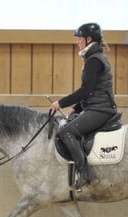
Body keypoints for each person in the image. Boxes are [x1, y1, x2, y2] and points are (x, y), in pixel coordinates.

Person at [50, 22, 117, 189]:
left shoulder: (93, 60)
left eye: (79, 39)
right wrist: (76, 108)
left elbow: (85, 91)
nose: (77, 42)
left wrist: (61, 103)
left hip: (100, 109)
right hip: (98, 106)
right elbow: (93, 90)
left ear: (88, 39)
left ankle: (85, 174)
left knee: (66, 132)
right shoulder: (94, 57)